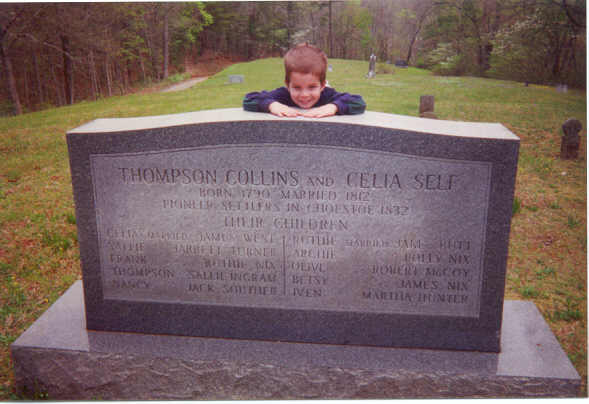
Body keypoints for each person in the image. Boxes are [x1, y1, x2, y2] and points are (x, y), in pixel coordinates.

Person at [243, 43, 366, 118]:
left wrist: (333, 107)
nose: (304, 95)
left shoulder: (327, 95)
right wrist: (272, 105)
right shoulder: (283, 95)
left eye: (312, 87)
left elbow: (358, 102)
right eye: (296, 87)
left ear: (322, 85)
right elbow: (249, 99)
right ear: (288, 85)